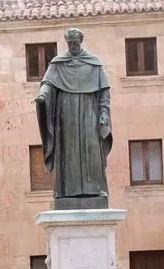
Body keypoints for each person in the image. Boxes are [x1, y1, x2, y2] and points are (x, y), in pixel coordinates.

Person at [34, 28, 112, 207]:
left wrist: (104, 114)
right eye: (70, 43)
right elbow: (48, 83)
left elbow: (103, 92)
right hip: (66, 114)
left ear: (81, 41)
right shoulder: (58, 63)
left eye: (75, 42)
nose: (73, 46)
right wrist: (43, 95)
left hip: (89, 112)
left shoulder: (93, 63)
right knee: (68, 152)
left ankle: (96, 188)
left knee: (92, 149)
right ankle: (65, 191)